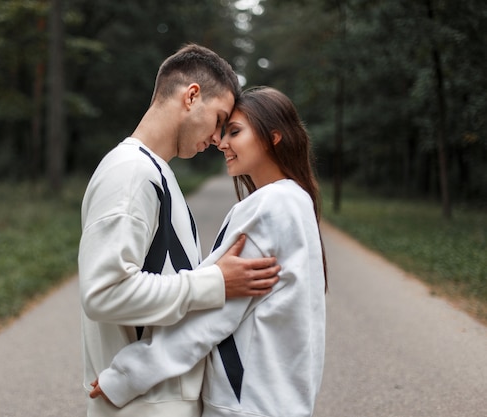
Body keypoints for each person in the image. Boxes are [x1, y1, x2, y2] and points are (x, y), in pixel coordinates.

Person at [90, 86, 328, 417]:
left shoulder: (269, 206)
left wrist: (126, 376)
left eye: (234, 131)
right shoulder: (297, 201)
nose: (222, 142)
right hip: (278, 400)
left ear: (274, 137)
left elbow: (212, 314)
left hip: (245, 403)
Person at [78, 45, 281, 417]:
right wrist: (215, 283)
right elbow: (104, 293)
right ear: (191, 96)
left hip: (155, 400)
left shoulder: (153, 173)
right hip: (143, 406)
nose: (219, 140)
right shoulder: (130, 174)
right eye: (219, 119)